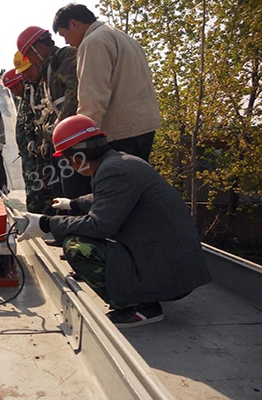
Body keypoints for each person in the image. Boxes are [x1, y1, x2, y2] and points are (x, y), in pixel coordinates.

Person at [16, 115, 212, 328]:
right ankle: (139, 290)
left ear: (79, 156)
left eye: (68, 158)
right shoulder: (121, 162)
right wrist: (71, 204)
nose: (70, 165)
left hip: (167, 273)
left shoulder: (113, 171)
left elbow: (99, 226)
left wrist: (45, 224)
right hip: (172, 266)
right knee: (84, 235)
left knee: (77, 247)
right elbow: (105, 198)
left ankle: (141, 307)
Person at [52, 4, 161, 161]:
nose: (67, 42)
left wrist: (81, 136)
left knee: (116, 182)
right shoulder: (123, 37)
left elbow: (93, 97)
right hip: (144, 126)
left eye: (64, 35)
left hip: (120, 131)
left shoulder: (92, 42)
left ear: (73, 24)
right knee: (138, 180)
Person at [17, 25, 92, 202]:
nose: (33, 61)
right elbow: (47, 110)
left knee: (75, 191)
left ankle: (80, 226)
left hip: (74, 138)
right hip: (60, 141)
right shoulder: (48, 70)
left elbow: (72, 94)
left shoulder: (65, 58)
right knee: (61, 190)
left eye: (31, 55)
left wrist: (59, 128)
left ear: (39, 47)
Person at [13, 51, 55, 215]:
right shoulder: (31, 89)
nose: (25, 75)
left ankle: (54, 219)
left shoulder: (49, 83)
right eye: (22, 73)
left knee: (51, 184)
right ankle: (39, 217)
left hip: (51, 142)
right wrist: (30, 139)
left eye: (27, 71)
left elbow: (52, 112)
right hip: (36, 147)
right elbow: (30, 118)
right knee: (38, 185)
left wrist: (47, 140)